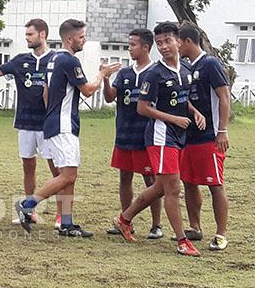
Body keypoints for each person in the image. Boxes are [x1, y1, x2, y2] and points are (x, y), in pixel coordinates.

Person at [14, 19, 120, 237]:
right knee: (69, 175)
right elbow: (89, 90)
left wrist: (50, 113)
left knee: (66, 173)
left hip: (53, 123)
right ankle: (28, 203)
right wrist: (102, 74)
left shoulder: (52, 59)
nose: (84, 40)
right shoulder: (69, 61)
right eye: (81, 37)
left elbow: (45, 92)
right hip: (63, 125)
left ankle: (66, 223)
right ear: (69, 39)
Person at [111, 22, 206, 257]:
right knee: (173, 188)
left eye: (167, 41)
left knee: (161, 187)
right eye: (160, 42)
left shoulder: (184, 69)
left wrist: (193, 111)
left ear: (178, 42)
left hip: (178, 135)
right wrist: (173, 119)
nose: (163, 46)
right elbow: (143, 108)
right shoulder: (155, 74)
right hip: (160, 136)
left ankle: (124, 219)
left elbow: (181, 98)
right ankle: (182, 240)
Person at [0, 18, 63, 228]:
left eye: (30, 35)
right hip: (25, 123)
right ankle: (29, 212)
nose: (27, 39)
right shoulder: (20, 60)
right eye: (26, 35)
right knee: (28, 167)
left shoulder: (57, 60)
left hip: (50, 125)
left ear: (42, 35)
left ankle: (61, 215)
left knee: (57, 171)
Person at [102, 29, 163, 239]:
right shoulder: (126, 73)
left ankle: (157, 225)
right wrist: (106, 79)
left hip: (146, 136)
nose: (129, 49)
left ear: (145, 47)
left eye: (133, 45)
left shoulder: (156, 72)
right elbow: (110, 97)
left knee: (152, 181)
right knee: (124, 177)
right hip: (124, 134)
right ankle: (126, 222)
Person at [177, 22, 230, 251]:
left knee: (215, 185)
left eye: (177, 42)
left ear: (188, 41)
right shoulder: (186, 67)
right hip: (188, 137)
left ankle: (221, 233)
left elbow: (224, 97)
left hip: (209, 137)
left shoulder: (209, 63)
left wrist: (222, 131)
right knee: (188, 182)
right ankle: (195, 227)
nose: (175, 47)